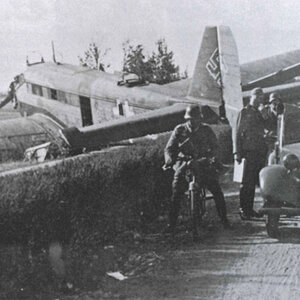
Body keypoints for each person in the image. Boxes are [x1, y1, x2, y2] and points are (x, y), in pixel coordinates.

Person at [164, 104, 231, 233]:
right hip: (184, 163)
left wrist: (212, 158)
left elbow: (216, 147)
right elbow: (169, 148)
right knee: (176, 191)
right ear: (186, 119)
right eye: (190, 119)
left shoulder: (206, 130)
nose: (193, 121)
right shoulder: (179, 130)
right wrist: (169, 160)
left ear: (200, 119)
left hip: (203, 163)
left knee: (216, 190)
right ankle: (171, 225)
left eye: (195, 119)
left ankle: (224, 220)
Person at [235, 87, 268, 220]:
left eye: (261, 97)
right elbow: (237, 133)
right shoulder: (244, 112)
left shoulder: (258, 112)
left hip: (259, 152)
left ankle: (249, 209)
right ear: (252, 96)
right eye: (258, 97)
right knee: (246, 182)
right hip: (248, 152)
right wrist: (237, 152)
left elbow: (264, 128)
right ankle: (243, 209)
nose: (260, 99)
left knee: (254, 181)